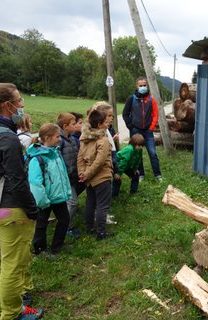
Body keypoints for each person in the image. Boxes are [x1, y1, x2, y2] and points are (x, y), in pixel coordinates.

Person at [0, 83, 44, 320]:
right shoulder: (8, 139)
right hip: (12, 209)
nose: (21, 105)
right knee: (13, 264)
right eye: (18, 101)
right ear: (7, 106)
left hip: (1, 209)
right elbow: (17, 182)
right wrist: (32, 209)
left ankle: (10, 305)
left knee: (6, 259)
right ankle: (11, 313)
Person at [27, 123, 71, 255]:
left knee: (64, 220)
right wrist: (42, 201)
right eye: (57, 136)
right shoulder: (37, 158)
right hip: (45, 199)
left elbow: (62, 174)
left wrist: (66, 190)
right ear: (47, 137)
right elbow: (35, 182)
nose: (60, 139)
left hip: (57, 196)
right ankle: (40, 250)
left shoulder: (55, 152)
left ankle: (57, 247)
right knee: (41, 224)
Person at [77, 108, 113, 240]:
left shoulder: (84, 139)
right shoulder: (102, 140)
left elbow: (80, 158)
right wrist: (87, 174)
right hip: (102, 178)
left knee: (90, 203)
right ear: (99, 125)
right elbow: (100, 161)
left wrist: (83, 173)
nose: (107, 123)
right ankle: (101, 232)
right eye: (105, 122)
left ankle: (89, 227)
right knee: (102, 206)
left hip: (89, 179)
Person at [122, 76, 162, 181]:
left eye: (144, 85)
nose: (143, 87)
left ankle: (158, 175)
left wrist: (151, 128)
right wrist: (131, 127)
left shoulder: (151, 99)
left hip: (148, 131)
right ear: (137, 86)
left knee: (152, 153)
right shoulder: (132, 99)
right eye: (141, 85)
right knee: (136, 153)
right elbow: (125, 114)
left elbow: (155, 114)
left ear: (147, 85)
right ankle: (141, 174)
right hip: (135, 130)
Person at [56, 113, 82, 237]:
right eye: (73, 124)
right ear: (65, 126)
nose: (75, 125)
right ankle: (66, 227)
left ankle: (66, 225)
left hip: (73, 176)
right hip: (64, 177)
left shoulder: (72, 139)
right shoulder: (59, 140)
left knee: (70, 202)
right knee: (72, 202)